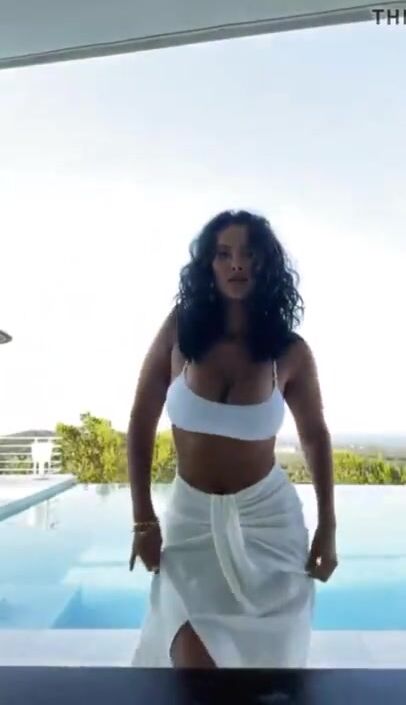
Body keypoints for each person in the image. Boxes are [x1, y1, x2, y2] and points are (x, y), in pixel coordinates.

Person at [128, 210, 337, 669]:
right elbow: (141, 419)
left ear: (266, 264)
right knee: (190, 658)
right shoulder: (181, 331)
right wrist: (143, 519)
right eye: (223, 254)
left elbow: (315, 438)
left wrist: (328, 528)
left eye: (248, 253)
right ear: (209, 264)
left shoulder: (290, 352)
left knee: (264, 672)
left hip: (268, 523)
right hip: (191, 520)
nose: (236, 263)